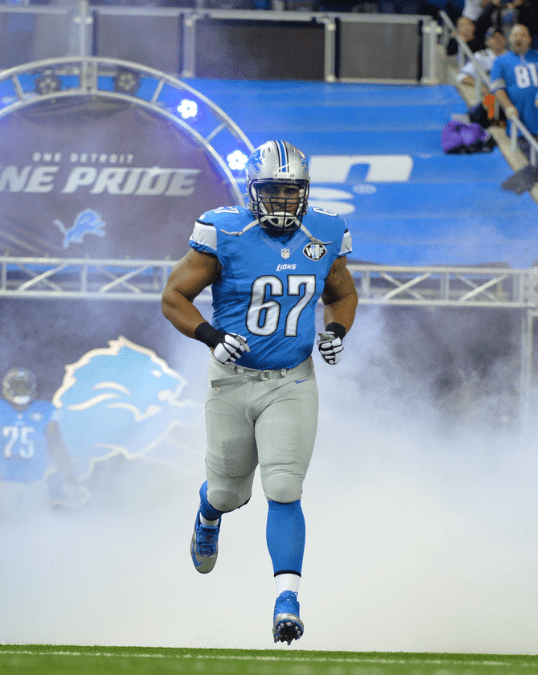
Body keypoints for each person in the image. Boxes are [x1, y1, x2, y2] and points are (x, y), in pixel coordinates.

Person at [162, 140, 358, 645]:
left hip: (292, 379)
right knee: (228, 492)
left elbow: (342, 293)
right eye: (272, 189)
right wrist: (211, 336)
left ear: (305, 192)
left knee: (285, 487)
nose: (283, 200)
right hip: (232, 379)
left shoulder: (325, 231)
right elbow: (174, 296)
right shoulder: (225, 230)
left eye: (291, 191)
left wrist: (337, 331)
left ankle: (287, 601)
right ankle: (209, 514)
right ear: (251, 191)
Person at [0, 367, 82, 511]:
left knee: (36, 522)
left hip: (34, 484)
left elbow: (56, 447)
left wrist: (70, 476)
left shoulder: (45, 410)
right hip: (4, 485)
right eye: (17, 386)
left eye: (24, 386)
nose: (21, 390)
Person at [490, 23, 538, 147]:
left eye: (523, 35)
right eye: (515, 35)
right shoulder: (500, 61)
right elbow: (497, 87)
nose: (519, 38)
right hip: (519, 122)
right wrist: (508, 106)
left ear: (529, 39)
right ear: (510, 38)